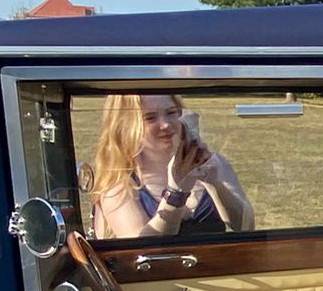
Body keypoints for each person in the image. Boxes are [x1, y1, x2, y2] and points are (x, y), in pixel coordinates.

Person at [88, 93, 255, 239]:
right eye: (150, 118)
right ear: (125, 126)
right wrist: (175, 195)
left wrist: (215, 184)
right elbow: (139, 251)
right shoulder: (118, 184)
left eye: (171, 113)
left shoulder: (214, 163)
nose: (166, 124)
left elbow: (246, 228)